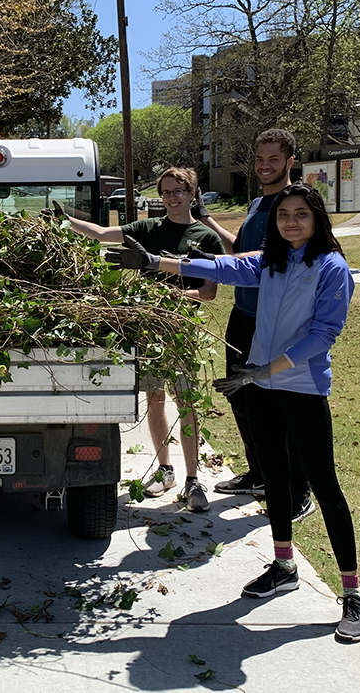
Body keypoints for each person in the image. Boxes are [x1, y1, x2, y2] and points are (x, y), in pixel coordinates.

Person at [105, 182, 360, 643]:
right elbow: (221, 266)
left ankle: (353, 593)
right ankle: (284, 564)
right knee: (274, 478)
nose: (290, 221)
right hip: (261, 386)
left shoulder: (331, 267)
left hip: (301, 387)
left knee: (323, 484)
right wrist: (154, 262)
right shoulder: (271, 260)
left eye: (300, 214)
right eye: (283, 214)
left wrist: (267, 367)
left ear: (317, 218)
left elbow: (323, 334)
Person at [48, 167, 223, 512]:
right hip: (148, 330)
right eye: (166, 193)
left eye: (178, 192)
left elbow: (209, 291)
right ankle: (165, 470)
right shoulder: (148, 229)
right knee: (155, 398)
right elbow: (99, 233)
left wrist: (175, 299)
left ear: (191, 193)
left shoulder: (205, 237)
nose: (171, 198)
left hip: (181, 327)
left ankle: (193, 480)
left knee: (186, 401)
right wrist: (65, 220)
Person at [198, 129, 314, 524]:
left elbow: (268, 258)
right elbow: (240, 250)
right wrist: (209, 223)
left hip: (275, 320)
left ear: (290, 161)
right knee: (241, 397)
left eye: (274, 159)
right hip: (244, 315)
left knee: (280, 403)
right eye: (260, 159)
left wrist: (212, 266)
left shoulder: (292, 205)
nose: (265, 165)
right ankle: (261, 473)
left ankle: (299, 490)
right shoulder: (258, 202)